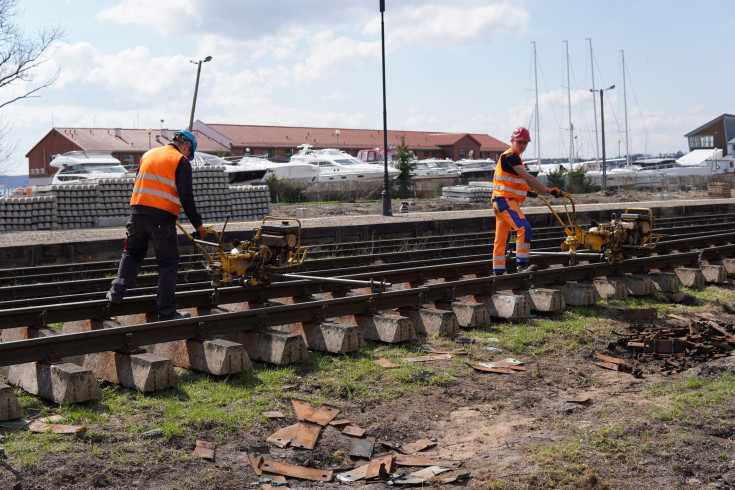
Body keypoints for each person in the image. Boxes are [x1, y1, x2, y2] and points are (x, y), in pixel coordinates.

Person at [106, 130, 208, 320]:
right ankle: (167, 312)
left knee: (132, 253)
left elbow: (141, 181)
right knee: (168, 263)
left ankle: (116, 290)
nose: (187, 156)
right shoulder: (180, 161)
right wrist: (198, 226)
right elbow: (186, 196)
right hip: (161, 219)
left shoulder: (148, 154)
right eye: (189, 153)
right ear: (186, 147)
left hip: (136, 214)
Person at [492, 126, 563, 275]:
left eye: (525, 142)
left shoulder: (510, 157)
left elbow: (511, 182)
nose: (522, 145)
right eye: (519, 142)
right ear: (512, 141)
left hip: (499, 201)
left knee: (502, 237)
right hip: (505, 201)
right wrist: (547, 190)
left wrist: (527, 192)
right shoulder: (511, 156)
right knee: (524, 228)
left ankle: (498, 272)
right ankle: (522, 266)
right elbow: (528, 177)